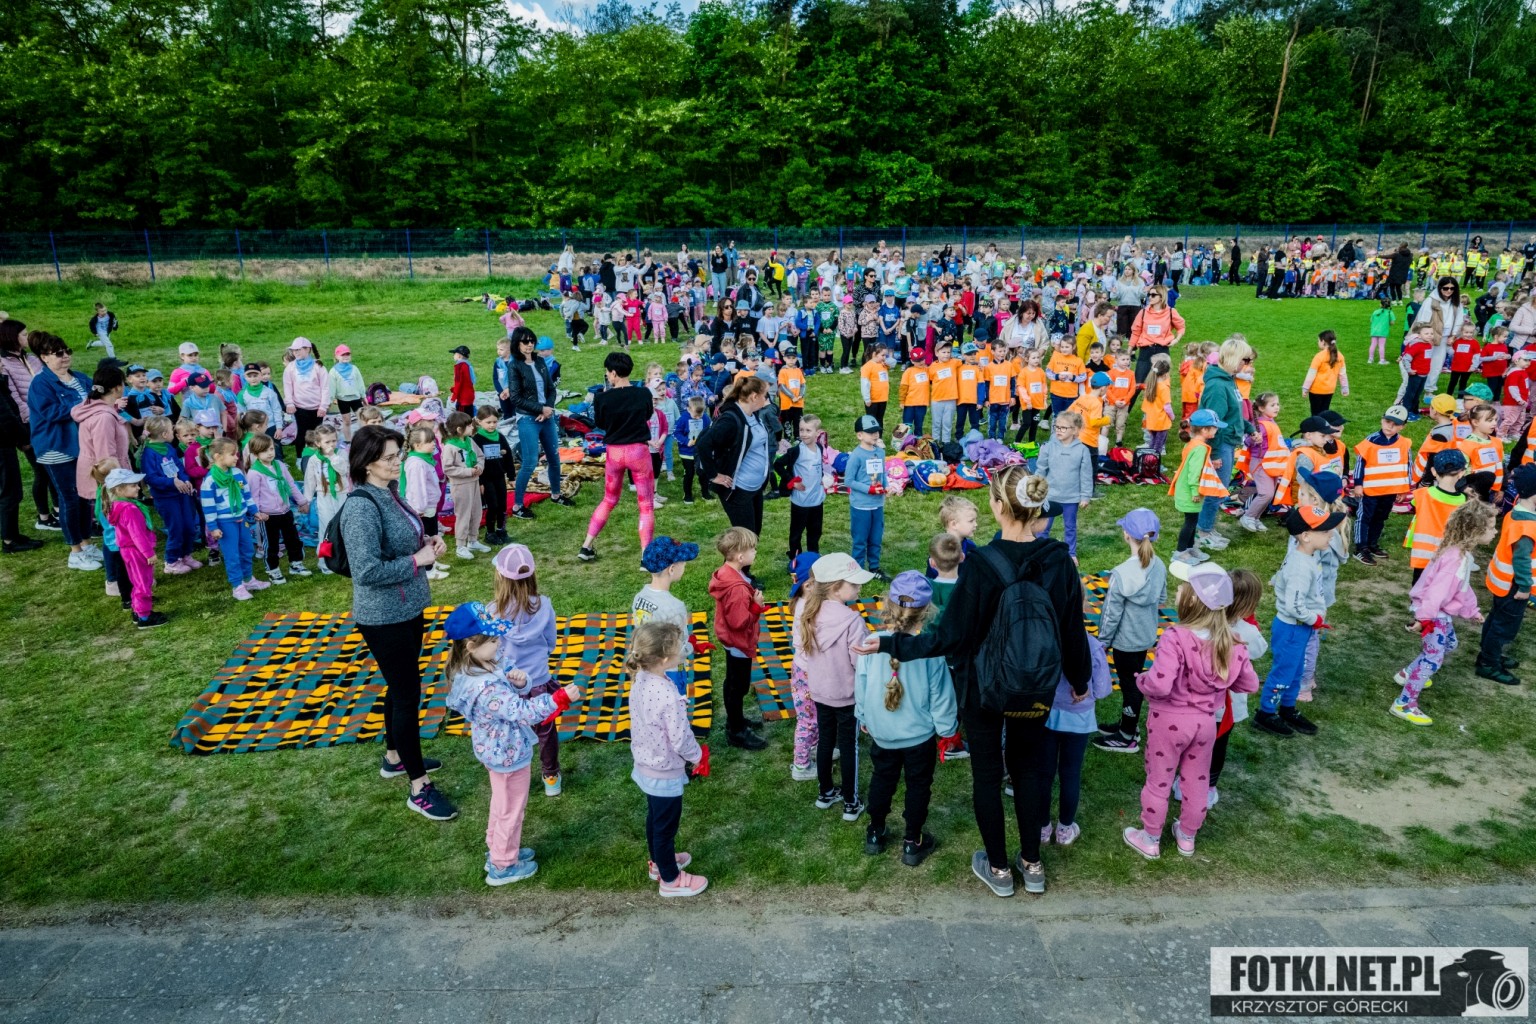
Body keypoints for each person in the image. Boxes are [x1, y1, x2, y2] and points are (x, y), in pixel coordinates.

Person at [853, 466, 1092, 898]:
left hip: (982, 687)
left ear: (998, 506)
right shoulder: (1059, 559)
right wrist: (1079, 678)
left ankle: (998, 869)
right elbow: (1071, 627)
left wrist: (891, 643)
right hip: (1035, 686)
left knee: (987, 775)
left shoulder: (979, 564)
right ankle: (1032, 864)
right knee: (1029, 770)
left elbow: (950, 636)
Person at [338, 425, 455, 819]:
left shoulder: (388, 491)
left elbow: (402, 540)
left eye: (397, 454)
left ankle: (394, 757)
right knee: (407, 694)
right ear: (367, 463)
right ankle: (419, 786)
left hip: (407, 608)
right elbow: (366, 570)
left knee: (400, 686)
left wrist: (426, 544)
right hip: (383, 616)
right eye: (389, 457)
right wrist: (416, 560)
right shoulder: (360, 507)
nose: (397, 461)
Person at [1122, 563, 1259, 860]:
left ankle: (1150, 838)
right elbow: (1249, 684)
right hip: (1205, 724)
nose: (1178, 590)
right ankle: (1187, 837)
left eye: (1183, 586)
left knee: (1159, 780)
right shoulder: (1233, 641)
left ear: (1194, 599)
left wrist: (1142, 681)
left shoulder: (1175, 636)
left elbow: (1160, 684)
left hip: (1168, 722)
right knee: (1197, 782)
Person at [443, 601, 580, 886]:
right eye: (493, 640)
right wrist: (558, 699)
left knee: (501, 805)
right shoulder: (487, 688)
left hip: (498, 751)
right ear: (471, 646)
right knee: (511, 811)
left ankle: (497, 849)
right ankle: (503, 865)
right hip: (508, 754)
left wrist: (521, 682)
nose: (499, 643)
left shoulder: (480, 666)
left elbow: (511, 678)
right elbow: (522, 711)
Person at [853, 571, 956, 866]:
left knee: (882, 779)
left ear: (887, 604)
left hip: (882, 733)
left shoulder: (871, 643)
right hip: (919, 736)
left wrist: (863, 715)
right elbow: (941, 696)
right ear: (926, 611)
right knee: (918, 785)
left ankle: (875, 832)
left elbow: (861, 686)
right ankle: (913, 841)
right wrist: (947, 730)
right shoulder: (930, 651)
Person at [1393, 501, 1496, 725]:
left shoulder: (1461, 555)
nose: (1495, 532)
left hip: (1437, 612)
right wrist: (1424, 619)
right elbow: (1435, 593)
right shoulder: (1455, 560)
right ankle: (1404, 704)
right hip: (1433, 614)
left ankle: (1407, 674)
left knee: (1449, 644)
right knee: (1432, 659)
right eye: (1491, 528)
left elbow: (1462, 587)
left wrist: (1472, 610)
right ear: (1475, 530)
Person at [628, 618, 710, 897]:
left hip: (646, 763)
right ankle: (670, 880)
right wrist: (697, 756)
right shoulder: (666, 694)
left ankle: (658, 863)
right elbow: (680, 738)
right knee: (665, 828)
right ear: (664, 659)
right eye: (678, 646)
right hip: (664, 770)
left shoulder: (641, 678)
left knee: (655, 819)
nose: (682, 648)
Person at [797, 553, 875, 823]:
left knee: (826, 742)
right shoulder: (853, 621)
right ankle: (851, 803)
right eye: (853, 584)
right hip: (846, 696)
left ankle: (826, 793)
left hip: (820, 692)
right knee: (849, 746)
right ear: (835, 587)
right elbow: (859, 664)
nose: (859, 587)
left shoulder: (809, 613)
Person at [486, 544, 566, 798]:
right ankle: (550, 776)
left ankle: (510, 774)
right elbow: (551, 642)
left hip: (508, 685)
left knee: (509, 731)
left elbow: (491, 650)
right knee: (546, 730)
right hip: (540, 680)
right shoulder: (544, 606)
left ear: (500, 577)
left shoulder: (492, 612)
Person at [1253, 505, 1339, 737]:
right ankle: (1266, 713)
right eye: (1325, 531)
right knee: (1284, 671)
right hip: (1292, 628)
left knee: (1296, 670)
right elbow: (1294, 606)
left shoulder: (1308, 556)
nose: (1331, 534)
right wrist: (1315, 619)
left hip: (1300, 628)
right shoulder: (1300, 566)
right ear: (1306, 536)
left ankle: (1287, 708)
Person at [1092, 509, 1167, 754]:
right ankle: (1129, 725)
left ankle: (1126, 737)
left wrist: (1103, 641)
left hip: (1125, 641)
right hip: (1145, 636)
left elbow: (1110, 614)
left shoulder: (1121, 573)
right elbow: (1162, 598)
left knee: (1130, 686)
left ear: (1126, 534)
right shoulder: (1159, 565)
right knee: (1133, 682)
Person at [26, 331, 98, 568]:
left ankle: (86, 543)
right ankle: (75, 551)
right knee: (69, 498)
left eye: (67, 351)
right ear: (44, 357)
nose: (65, 356)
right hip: (56, 447)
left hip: (81, 446)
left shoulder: (79, 378)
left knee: (85, 496)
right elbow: (51, 413)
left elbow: (97, 397)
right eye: (58, 353)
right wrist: (83, 404)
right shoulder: (40, 384)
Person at [579, 352, 658, 561]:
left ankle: (586, 546)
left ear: (613, 373)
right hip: (638, 452)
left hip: (615, 452)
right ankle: (645, 556)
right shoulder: (643, 393)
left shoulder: (602, 397)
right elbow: (648, 414)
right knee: (646, 505)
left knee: (609, 499)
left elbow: (601, 424)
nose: (607, 375)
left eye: (608, 372)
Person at [708, 526, 768, 750]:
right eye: (753, 549)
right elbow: (739, 622)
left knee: (733, 682)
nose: (756, 552)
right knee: (738, 686)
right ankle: (736, 731)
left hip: (730, 639)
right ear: (741, 556)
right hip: (738, 642)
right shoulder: (737, 590)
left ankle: (737, 719)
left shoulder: (727, 572)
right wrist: (756, 606)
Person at [1476, 464, 1536, 685]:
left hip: (1502, 581)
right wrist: (1525, 587)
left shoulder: (1516, 513)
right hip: (1514, 586)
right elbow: (1521, 560)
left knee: (1496, 619)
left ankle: (1488, 653)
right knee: (1504, 626)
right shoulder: (1527, 527)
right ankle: (1488, 663)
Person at [1195, 337, 1255, 550]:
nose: (1247, 364)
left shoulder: (1228, 381)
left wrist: (1249, 428)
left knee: (1219, 490)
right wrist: (1214, 455)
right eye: (1245, 360)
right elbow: (1213, 424)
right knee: (1215, 490)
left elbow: (1234, 414)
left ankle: (1208, 528)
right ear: (1233, 358)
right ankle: (1203, 532)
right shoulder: (1218, 386)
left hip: (1227, 443)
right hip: (1220, 446)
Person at [697, 376, 773, 536]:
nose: (767, 398)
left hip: (755, 488)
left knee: (753, 537)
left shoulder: (752, 414)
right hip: (738, 490)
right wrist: (713, 475)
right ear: (754, 396)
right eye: (765, 394)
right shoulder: (731, 420)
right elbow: (703, 444)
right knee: (745, 540)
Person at [199, 437, 268, 601]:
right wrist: (213, 527)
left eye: (236, 453)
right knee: (232, 555)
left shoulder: (237, 473)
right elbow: (208, 507)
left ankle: (248, 579)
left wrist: (254, 511)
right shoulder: (210, 481)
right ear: (218, 456)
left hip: (242, 519)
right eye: (232, 454)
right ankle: (237, 586)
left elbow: (247, 495)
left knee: (247, 550)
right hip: (225, 523)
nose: (237, 457)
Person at [102, 467, 167, 628]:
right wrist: (148, 553)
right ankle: (145, 617)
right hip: (137, 551)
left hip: (127, 551)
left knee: (137, 581)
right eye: (133, 485)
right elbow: (137, 535)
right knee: (143, 582)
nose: (138, 488)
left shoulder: (117, 506)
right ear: (119, 490)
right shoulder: (130, 509)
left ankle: (138, 611)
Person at [1351, 405, 1414, 565]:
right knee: (1364, 517)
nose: (1390, 426)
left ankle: (1372, 544)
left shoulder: (1404, 443)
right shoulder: (1370, 441)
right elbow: (1359, 464)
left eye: (1395, 424)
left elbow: (1407, 467)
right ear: (1382, 420)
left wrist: (1403, 489)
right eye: (1387, 421)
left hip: (1390, 490)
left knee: (1380, 517)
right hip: (1370, 490)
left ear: (1402, 426)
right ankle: (1361, 548)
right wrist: (1358, 484)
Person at [246, 433, 311, 584]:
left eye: (271, 449)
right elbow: (253, 496)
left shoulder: (280, 466)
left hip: (285, 511)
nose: (270, 453)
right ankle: (273, 570)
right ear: (255, 453)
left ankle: (296, 564)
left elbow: (291, 485)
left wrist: (302, 501)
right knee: (271, 544)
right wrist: (257, 513)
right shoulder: (254, 473)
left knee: (293, 539)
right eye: (264, 451)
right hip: (268, 515)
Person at [1170, 409, 1228, 565]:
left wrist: (1210, 463)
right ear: (1204, 430)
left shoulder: (1193, 443)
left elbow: (1193, 464)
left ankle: (1190, 548)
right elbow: (1194, 472)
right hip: (1190, 491)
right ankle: (1180, 552)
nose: (1217, 430)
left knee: (1193, 521)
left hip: (1185, 489)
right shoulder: (1200, 448)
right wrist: (1195, 491)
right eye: (1215, 427)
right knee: (1190, 523)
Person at [1037, 411, 1093, 561]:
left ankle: (1071, 554)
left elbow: (1086, 475)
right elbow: (1041, 469)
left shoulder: (1082, 450)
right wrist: (1035, 488)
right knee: (1043, 526)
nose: (1059, 430)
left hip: (1071, 498)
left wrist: (1085, 496)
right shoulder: (1048, 447)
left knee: (1070, 527)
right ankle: (1039, 551)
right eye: (1056, 427)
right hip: (1049, 496)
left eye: (1063, 428)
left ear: (1075, 430)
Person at [776, 413, 825, 562]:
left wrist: (822, 478)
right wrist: (792, 482)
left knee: (815, 531)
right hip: (801, 501)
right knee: (796, 533)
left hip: (817, 500)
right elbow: (778, 464)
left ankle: (813, 557)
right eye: (801, 429)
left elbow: (818, 468)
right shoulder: (797, 451)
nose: (803, 434)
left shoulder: (819, 448)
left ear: (818, 433)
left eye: (808, 430)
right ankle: (795, 558)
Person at [1130, 286, 1186, 385]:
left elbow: (1181, 327)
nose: (1149, 297)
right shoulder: (1143, 312)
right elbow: (1135, 332)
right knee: (1138, 382)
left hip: (1162, 350)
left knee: (1162, 383)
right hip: (1145, 351)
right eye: (1149, 294)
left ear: (1161, 297)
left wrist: (1176, 339)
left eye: (1153, 295)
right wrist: (1129, 350)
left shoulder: (1171, 312)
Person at [283, 338, 332, 445]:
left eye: (298, 349)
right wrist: (289, 403)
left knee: (316, 433)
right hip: (299, 407)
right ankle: (301, 454)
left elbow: (325, 387)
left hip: (317, 408)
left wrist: (323, 406)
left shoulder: (318, 367)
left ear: (308, 349)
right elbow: (287, 387)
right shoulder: (290, 368)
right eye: (294, 350)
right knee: (302, 433)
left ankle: (317, 453)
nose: (295, 352)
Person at [1302, 330, 1349, 415]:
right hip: (1330, 390)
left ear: (1323, 341)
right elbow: (1343, 374)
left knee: (1315, 414)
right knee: (1324, 413)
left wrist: (1305, 388)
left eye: (1318, 340)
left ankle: (1317, 424)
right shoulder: (1340, 356)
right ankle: (1324, 424)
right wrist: (1345, 387)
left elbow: (1311, 373)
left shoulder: (1319, 357)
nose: (1318, 342)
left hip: (1316, 390)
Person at [328, 345, 365, 442]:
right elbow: (331, 387)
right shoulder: (333, 371)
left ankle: (364, 437)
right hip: (343, 400)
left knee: (362, 419)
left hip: (356, 398)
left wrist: (363, 396)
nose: (346, 356)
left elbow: (360, 382)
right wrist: (330, 401)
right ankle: (348, 440)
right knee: (346, 421)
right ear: (336, 356)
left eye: (348, 354)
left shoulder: (354, 368)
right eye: (343, 354)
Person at [449, 344, 477, 415]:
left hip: (463, 399)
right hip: (470, 395)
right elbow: (470, 381)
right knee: (470, 414)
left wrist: (453, 397)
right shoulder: (468, 365)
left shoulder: (459, 367)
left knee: (462, 416)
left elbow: (458, 382)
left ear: (459, 356)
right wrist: (453, 389)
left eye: (454, 354)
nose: (453, 356)